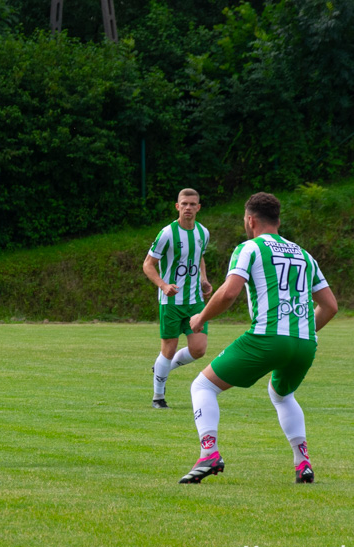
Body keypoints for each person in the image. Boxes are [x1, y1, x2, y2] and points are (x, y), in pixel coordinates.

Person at [180, 192, 337, 484]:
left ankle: (209, 453)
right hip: (305, 343)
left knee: (203, 385)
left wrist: (200, 318)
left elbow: (229, 292)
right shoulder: (304, 254)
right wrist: (302, 331)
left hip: (267, 337)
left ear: (250, 220)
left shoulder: (249, 248)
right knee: (282, 394)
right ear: (277, 220)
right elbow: (331, 306)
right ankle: (302, 462)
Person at [142, 188, 213, 408]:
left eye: (193, 204)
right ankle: (158, 397)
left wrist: (203, 279)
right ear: (177, 207)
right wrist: (163, 285)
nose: (188, 208)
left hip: (194, 302)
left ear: (198, 207)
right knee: (169, 349)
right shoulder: (167, 233)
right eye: (184, 204)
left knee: (199, 349)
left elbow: (198, 256)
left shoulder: (203, 233)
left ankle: (164, 367)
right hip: (171, 302)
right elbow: (148, 264)